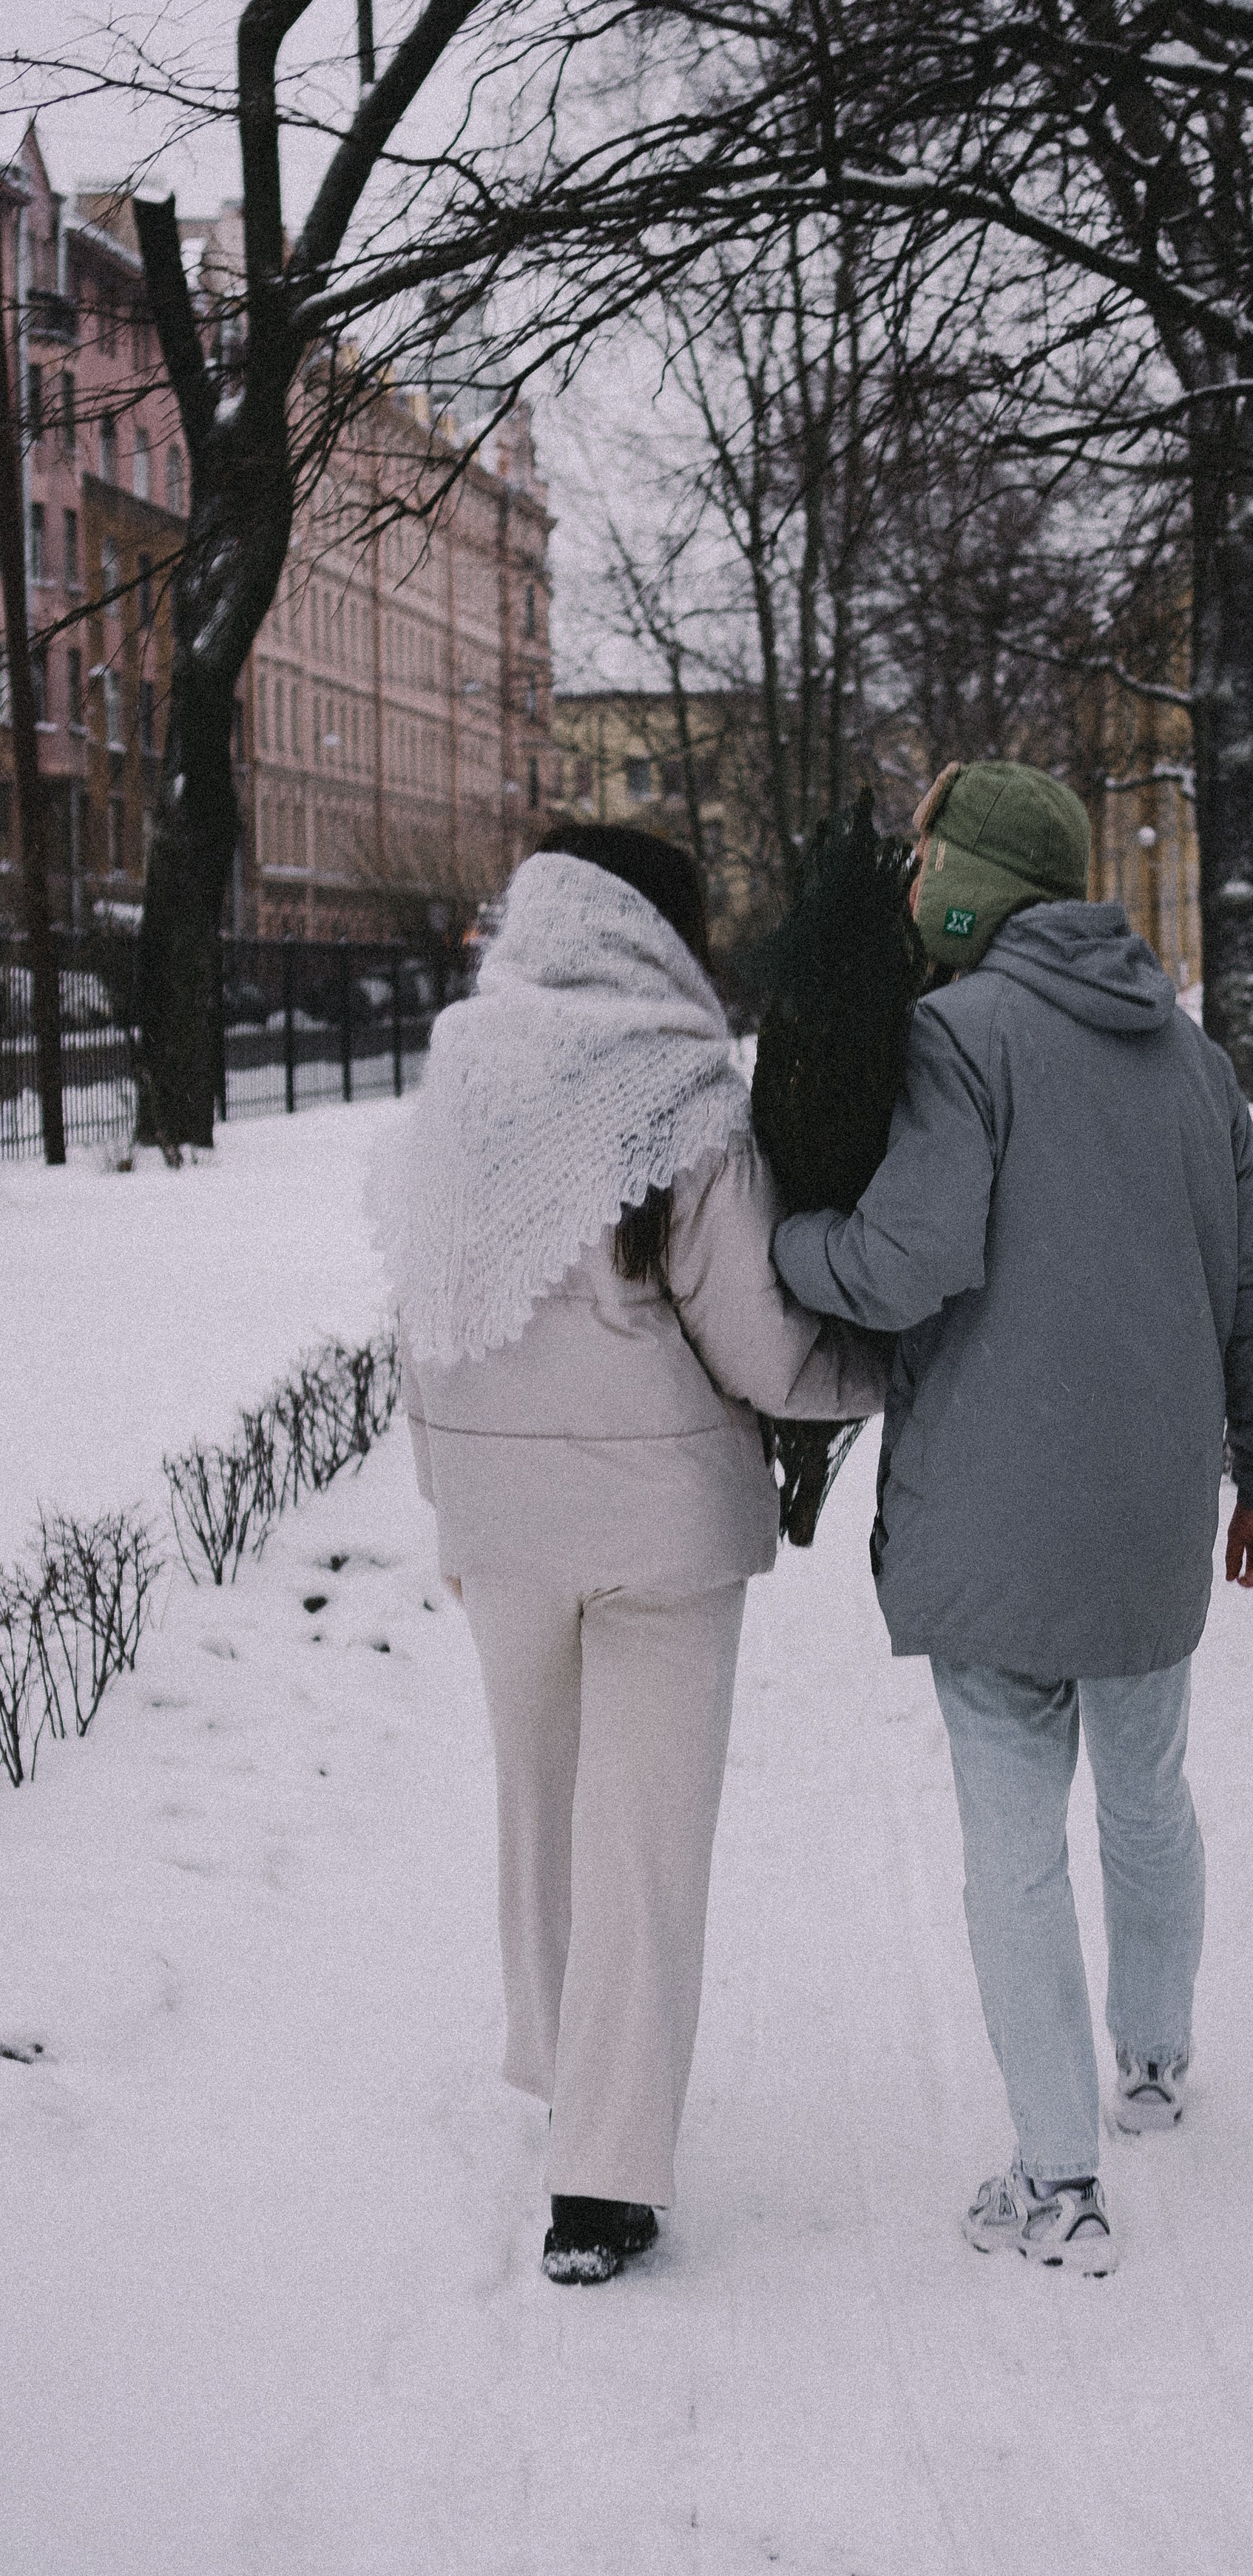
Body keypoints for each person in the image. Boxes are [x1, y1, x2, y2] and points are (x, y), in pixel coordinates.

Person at [771, 759, 1253, 2275]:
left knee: (1011, 1838)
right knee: (1146, 1794)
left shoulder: (959, 1037)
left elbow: (905, 1262)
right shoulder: (1189, 1056)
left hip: (997, 1521)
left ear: (978, 879)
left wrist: (793, 1242)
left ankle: (1055, 2176)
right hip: (1146, 1511)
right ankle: (1151, 2063)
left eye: (929, 851)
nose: (910, 875)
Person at [371, 827, 888, 2286]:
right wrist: (889, 1369)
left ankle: (557, 2070)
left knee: (538, 1813)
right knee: (643, 1845)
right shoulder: (682, 1097)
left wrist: (446, 1500)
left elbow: (422, 1317)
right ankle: (597, 2183)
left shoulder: (453, 1084)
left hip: (498, 1521)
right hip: (660, 1533)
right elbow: (767, 1352)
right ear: (656, 935)